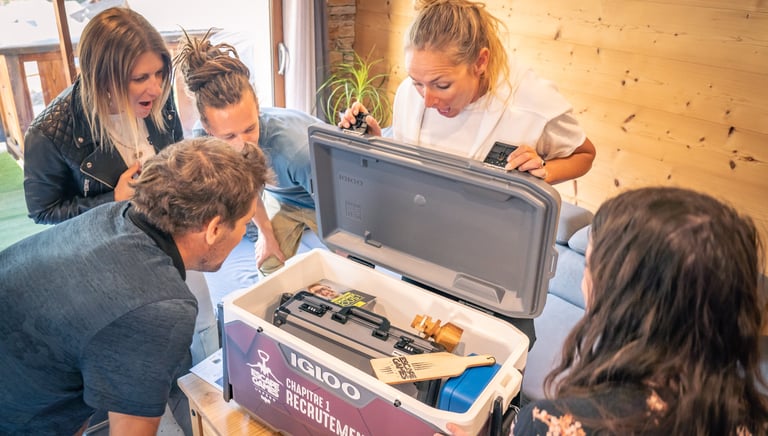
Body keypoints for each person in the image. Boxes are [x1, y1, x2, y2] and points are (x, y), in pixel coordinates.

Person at [441, 187, 768, 435]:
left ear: (625, 296)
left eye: (590, 266)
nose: (583, 279)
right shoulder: (748, 416)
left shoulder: (555, 422)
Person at [0, 137, 270, 436]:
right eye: (246, 222)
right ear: (214, 228)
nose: (247, 231)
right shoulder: (161, 306)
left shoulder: (116, 215)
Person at [21, 6, 218, 366]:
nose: (155, 88)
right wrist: (112, 200)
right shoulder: (49, 133)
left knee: (201, 323)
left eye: (159, 73)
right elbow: (43, 211)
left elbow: (175, 154)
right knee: (150, 345)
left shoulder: (159, 100)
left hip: (169, 235)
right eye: (140, 78)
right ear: (103, 79)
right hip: (109, 256)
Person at [340, 0, 595, 185]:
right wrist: (376, 145)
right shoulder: (409, 93)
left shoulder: (532, 101)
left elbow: (584, 154)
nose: (427, 100)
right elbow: (409, 167)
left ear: (480, 62)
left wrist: (544, 170)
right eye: (417, 82)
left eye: (442, 85)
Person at [174, 30, 324, 276]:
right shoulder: (203, 140)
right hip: (283, 197)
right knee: (268, 266)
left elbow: (338, 206)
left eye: (250, 128)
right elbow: (245, 187)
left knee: (356, 264)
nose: (243, 144)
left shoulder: (297, 152)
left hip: (320, 199)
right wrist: (266, 235)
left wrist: (345, 250)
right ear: (209, 130)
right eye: (229, 136)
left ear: (257, 108)